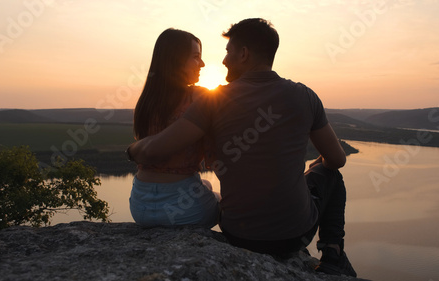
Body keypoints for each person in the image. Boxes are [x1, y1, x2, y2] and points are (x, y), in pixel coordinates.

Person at [127, 19, 356, 277]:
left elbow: (163, 145)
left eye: (228, 52)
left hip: (238, 234)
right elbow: (337, 160)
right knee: (331, 176)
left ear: (244, 54)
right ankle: (333, 256)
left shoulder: (214, 101)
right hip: (294, 236)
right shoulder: (305, 96)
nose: (223, 60)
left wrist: (133, 151)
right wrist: (317, 165)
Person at [128, 28, 220, 229]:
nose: (202, 64)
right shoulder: (200, 98)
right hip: (183, 211)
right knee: (218, 198)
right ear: (177, 61)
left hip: (139, 206)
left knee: (207, 185)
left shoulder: (147, 100)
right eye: (196, 57)